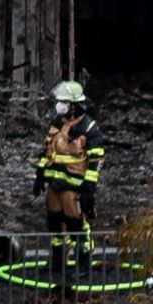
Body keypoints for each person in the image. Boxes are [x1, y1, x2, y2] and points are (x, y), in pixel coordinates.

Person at [30, 80, 109, 278]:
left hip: (74, 186)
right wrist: (40, 176)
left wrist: (89, 188)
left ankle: (83, 262)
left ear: (73, 105)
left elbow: (96, 158)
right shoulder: (57, 123)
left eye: (63, 102)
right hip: (54, 184)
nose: (59, 105)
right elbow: (47, 151)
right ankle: (57, 261)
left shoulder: (88, 126)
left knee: (75, 223)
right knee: (54, 222)